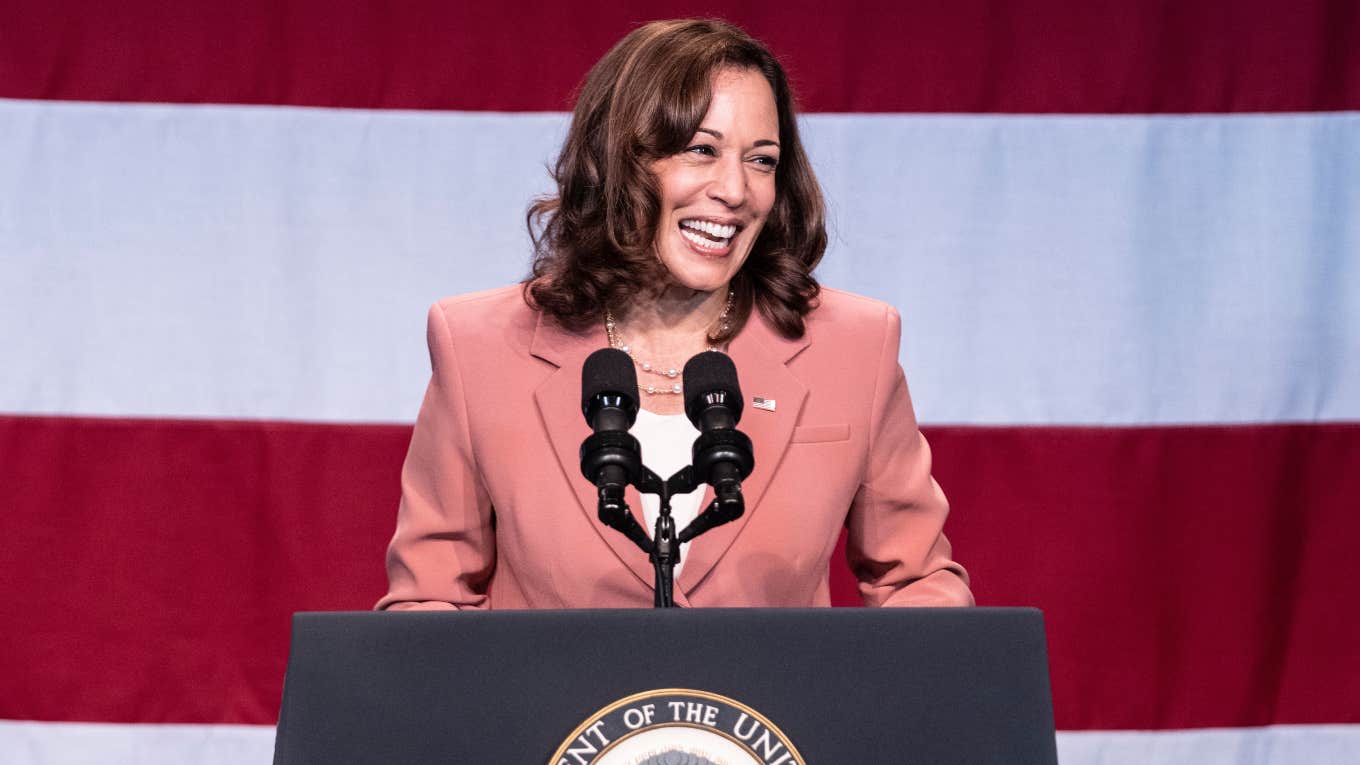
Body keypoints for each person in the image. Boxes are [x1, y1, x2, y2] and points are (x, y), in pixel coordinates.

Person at [377, 19, 972, 610]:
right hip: (559, 707)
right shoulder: (479, 347)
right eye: (701, 150)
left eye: (762, 161)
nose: (736, 191)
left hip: (768, 708)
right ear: (618, 160)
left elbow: (917, 584)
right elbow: (430, 605)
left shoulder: (854, 347)